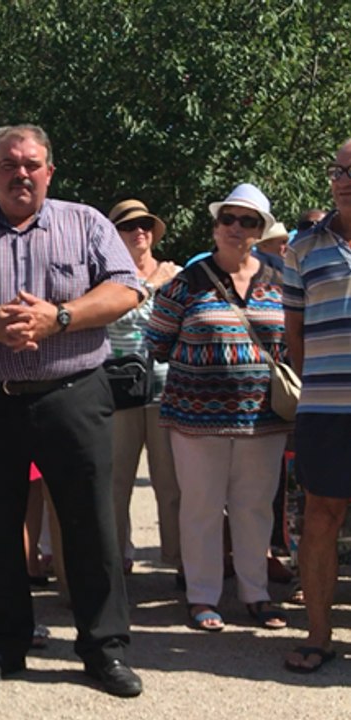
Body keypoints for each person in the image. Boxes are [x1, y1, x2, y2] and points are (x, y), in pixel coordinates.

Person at [0, 124, 144, 698]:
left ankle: (104, 648)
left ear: (49, 170)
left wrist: (60, 317)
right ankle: (2, 645)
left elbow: (126, 288)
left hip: (73, 393)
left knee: (89, 524)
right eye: (9, 164)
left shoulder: (86, 222)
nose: (22, 173)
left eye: (32, 163)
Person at [145, 183, 292, 633]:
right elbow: (157, 342)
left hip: (262, 417)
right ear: (215, 225)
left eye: (247, 221)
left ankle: (256, 594)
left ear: (260, 230)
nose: (236, 227)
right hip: (195, 416)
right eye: (228, 218)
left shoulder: (280, 278)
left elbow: (292, 342)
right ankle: (202, 597)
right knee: (202, 506)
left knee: (254, 507)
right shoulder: (185, 282)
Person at [281, 140, 351, 673]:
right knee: (321, 517)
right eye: (337, 171)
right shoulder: (303, 248)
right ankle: (319, 635)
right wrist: (320, 384)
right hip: (326, 409)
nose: (343, 180)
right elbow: (295, 334)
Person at [105, 200, 182, 580]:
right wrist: (151, 287)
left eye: (146, 224)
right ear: (114, 234)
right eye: (129, 225)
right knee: (117, 483)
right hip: (119, 392)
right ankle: (118, 558)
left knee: (170, 482)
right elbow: (115, 314)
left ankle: (179, 558)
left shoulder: (177, 273)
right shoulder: (104, 277)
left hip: (167, 391)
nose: (140, 231)